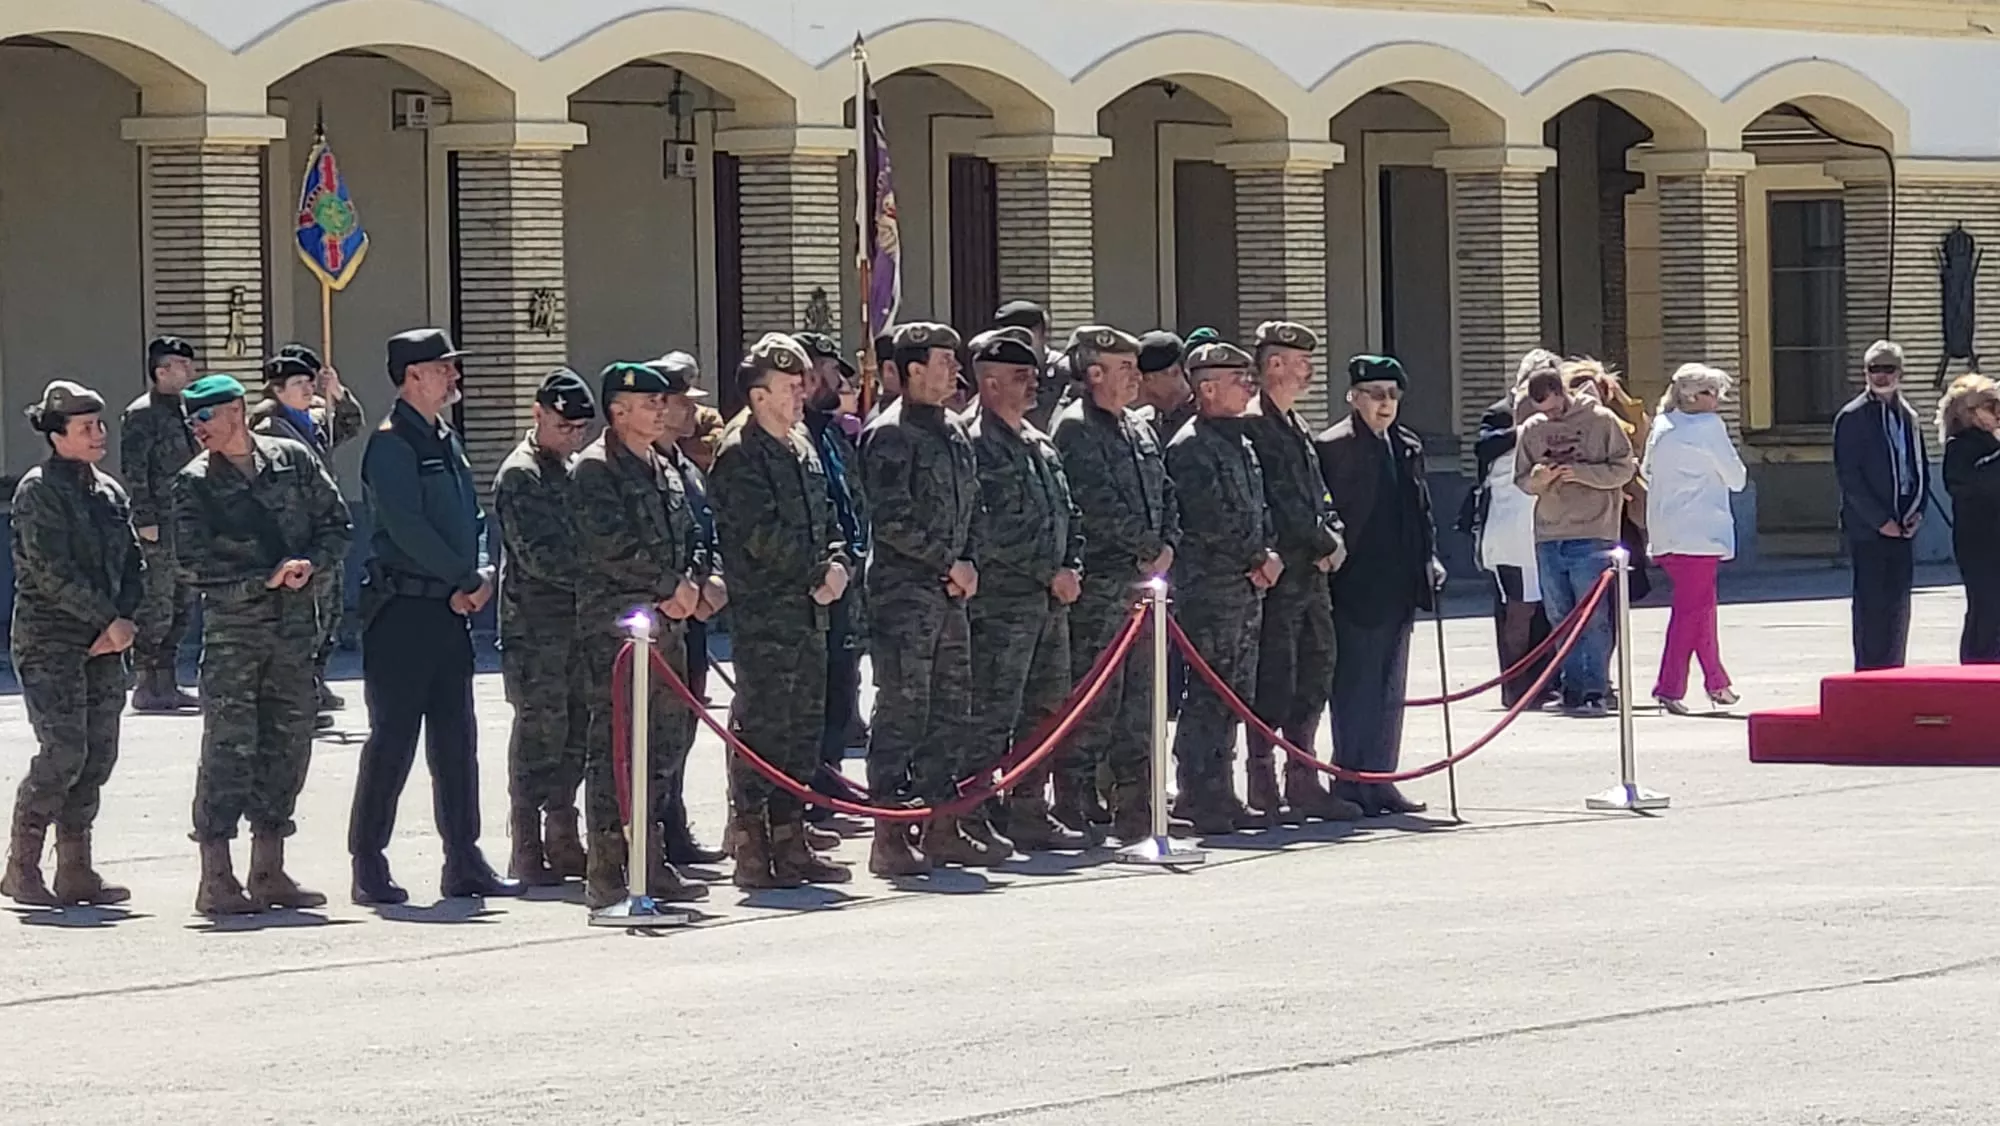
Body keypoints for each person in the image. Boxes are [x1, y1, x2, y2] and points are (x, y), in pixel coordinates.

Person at [347, 328, 519, 905]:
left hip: (450, 609)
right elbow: (406, 527)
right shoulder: (393, 443)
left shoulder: (444, 436)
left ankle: (463, 856)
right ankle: (368, 859)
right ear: (413, 376)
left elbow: (470, 515)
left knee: (456, 739)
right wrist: (464, 577)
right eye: (442, 369)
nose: (453, 377)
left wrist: (480, 572)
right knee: (392, 739)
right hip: (404, 610)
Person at [173, 374, 353, 915]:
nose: (197, 429)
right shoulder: (194, 484)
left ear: (237, 411)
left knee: (288, 744)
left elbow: (336, 525)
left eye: (206, 417)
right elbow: (190, 564)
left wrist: (310, 566)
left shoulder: (292, 461)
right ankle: (217, 876)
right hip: (235, 635)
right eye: (191, 421)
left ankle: (269, 868)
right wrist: (261, 580)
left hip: (295, 632)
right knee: (229, 750)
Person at [708, 334, 856, 888]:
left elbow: (830, 519)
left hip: (810, 613)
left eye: (803, 385)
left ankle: (790, 837)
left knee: (801, 729)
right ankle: (751, 840)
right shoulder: (740, 451)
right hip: (768, 614)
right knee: (763, 727)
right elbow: (757, 533)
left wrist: (839, 562)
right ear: (758, 394)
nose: (802, 394)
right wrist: (818, 572)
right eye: (791, 387)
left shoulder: (801, 445)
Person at [572, 361, 709, 909]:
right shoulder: (596, 470)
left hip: (669, 626)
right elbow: (609, 545)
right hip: (618, 634)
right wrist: (669, 584)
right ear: (618, 410)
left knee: (663, 746)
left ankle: (649, 858)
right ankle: (609, 868)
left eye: (661, 402)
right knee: (617, 750)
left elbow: (693, 529)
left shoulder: (665, 465)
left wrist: (697, 581)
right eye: (648, 403)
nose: (660, 410)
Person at [2, 381, 143, 907]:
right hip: (51, 641)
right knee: (63, 751)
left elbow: (133, 563)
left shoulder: (108, 491)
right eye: (85, 428)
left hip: (107, 641)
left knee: (98, 754)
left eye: (100, 425)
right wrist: (108, 619)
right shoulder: (38, 491)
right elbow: (48, 572)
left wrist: (125, 620)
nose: (97, 434)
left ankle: (76, 867)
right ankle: (23, 866)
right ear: (57, 435)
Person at [860, 322, 988, 874]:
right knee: (902, 709)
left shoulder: (955, 431)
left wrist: (970, 563)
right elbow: (891, 521)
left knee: (951, 708)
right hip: (905, 595)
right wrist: (947, 562)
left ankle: (940, 821)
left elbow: (974, 507)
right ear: (912, 370)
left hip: (952, 593)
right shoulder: (889, 433)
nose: (953, 372)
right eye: (942, 362)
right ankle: (889, 830)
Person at [962, 328, 1090, 852]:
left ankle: (1028, 807)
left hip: (1049, 603)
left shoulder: (1037, 441)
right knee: (993, 711)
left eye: (1034, 374)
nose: (1032, 384)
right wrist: (1047, 571)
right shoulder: (973, 441)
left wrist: (1072, 564)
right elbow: (985, 528)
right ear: (989, 383)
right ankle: (972, 811)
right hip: (1003, 603)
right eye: (1020, 377)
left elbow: (1067, 511)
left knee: (1045, 708)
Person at [1049, 326, 1177, 842]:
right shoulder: (1076, 429)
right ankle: (1076, 801)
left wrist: (1167, 543)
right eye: (1124, 368)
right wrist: (1148, 547)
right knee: (1095, 701)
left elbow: (1165, 492)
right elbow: (1094, 506)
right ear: (1094, 373)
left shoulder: (1139, 428)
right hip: (1102, 586)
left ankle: (1137, 802)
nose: (1134, 378)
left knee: (1142, 703)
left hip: (1144, 589)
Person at [1242, 322, 1358, 823]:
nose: (1308, 370)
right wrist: (1322, 540)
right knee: (1275, 678)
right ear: (1272, 366)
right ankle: (1262, 780)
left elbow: (1319, 494)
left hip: (1311, 577)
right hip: (1281, 577)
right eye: (1296, 361)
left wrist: (1334, 534)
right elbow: (1278, 502)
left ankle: (1303, 776)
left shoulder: (1295, 424)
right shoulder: (1254, 424)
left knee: (1315, 672)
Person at [1317, 356, 1444, 816]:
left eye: (1392, 395)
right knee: (1355, 686)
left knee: (1390, 688)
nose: (1384, 404)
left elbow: (1421, 513)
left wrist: (1429, 558)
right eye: (1374, 394)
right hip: (1355, 585)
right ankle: (1351, 779)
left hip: (1399, 582)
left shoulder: (1406, 444)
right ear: (1353, 397)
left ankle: (1382, 778)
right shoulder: (1333, 446)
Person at [1166, 342, 1282, 834]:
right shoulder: (1191, 446)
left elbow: (1259, 509)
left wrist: (1269, 552)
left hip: (1245, 590)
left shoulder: (1242, 442)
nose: (1249, 388)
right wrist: (1257, 558)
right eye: (1240, 379)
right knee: (1207, 694)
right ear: (1207, 387)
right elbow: (1210, 520)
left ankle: (1222, 787)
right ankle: (1197, 791)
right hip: (1209, 590)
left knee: (1235, 692)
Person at [491, 368, 597, 885]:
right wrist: (602, 570)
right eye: (564, 426)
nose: (573, 436)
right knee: (539, 733)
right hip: (535, 631)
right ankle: (527, 841)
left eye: (580, 429)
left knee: (576, 731)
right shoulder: (521, 474)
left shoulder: (573, 469)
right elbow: (540, 557)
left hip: (578, 626)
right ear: (539, 415)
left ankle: (563, 831)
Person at [1515, 362, 1637, 718]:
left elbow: (1624, 468)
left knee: (1593, 616)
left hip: (1593, 531)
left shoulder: (1601, 421)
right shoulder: (1532, 429)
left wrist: (1581, 473)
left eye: (1554, 408)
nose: (1549, 416)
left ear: (1562, 393)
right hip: (1549, 533)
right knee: (1559, 616)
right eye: (1542, 411)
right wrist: (1539, 479)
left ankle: (1596, 690)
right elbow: (1521, 480)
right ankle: (1570, 687)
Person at [252, 346, 366, 717]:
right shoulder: (269, 429)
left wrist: (337, 392)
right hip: (295, 534)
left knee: (328, 613)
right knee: (305, 618)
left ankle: (315, 679)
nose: (307, 389)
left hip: (324, 531)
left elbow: (351, 423)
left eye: (309, 382)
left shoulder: (315, 421)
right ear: (278, 391)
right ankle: (300, 698)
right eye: (298, 383)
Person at [647, 351, 729, 866]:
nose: (689, 414)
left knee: (682, 728)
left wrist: (713, 579)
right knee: (650, 735)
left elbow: (706, 533)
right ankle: (650, 837)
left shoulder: (686, 468)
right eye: (680, 403)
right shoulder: (637, 465)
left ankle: (673, 826)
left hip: (692, 615)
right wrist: (677, 588)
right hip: (654, 622)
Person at [795, 332, 872, 811]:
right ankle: (800, 797)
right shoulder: (793, 434)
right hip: (811, 589)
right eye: (828, 369)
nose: (838, 380)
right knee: (808, 696)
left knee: (842, 687)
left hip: (848, 581)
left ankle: (828, 778)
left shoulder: (830, 433)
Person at [1643, 363, 1747, 714]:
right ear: (1690, 395)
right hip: (1699, 532)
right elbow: (1736, 477)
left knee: (1702, 608)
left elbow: (1646, 471)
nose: (1715, 399)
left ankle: (1716, 681)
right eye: (1709, 392)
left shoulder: (1662, 424)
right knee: (1690, 612)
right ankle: (1669, 686)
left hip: (1665, 530)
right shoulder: (1709, 426)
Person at [1834, 339, 1930, 671]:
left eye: (1887, 369)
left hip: (1904, 525)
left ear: (1900, 372)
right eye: (1874, 369)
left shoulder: (1910, 416)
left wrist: (1919, 511)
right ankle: (1868, 675)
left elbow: (1920, 467)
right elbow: (1850, 478)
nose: (1881, 376)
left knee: (1898, 605)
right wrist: (1879, 521)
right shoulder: (1852, 416)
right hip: (1869, 530)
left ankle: (1894, 671)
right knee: (1871, 607)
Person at [121, 335, 202, 712]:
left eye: (190, 364)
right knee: (157, 604)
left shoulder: (188, 409)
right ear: (160, 371)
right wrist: (145, 519)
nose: (190, 371)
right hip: (160, 525)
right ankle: (145, 682)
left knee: (184, 603)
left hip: (189, 522)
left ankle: (167, 681)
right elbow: (134, 471)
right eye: (181, 365)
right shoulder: (142, 414)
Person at [1476, 349, 1559, 707]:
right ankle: (1515, 685)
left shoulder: (1562, 416)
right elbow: (1483, 448)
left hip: (1549, 524)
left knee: (1549, 609)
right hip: (1510, 528)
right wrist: (1525, 427)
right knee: (1517, 610)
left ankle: (1546, 682)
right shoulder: (1500, 414)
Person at [1938, 374, 2000, 663]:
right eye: (1993, 407)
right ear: (1971, 412)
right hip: (1979, 544)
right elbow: (1975, 485)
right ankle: (1976, 667)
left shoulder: (1990, 444)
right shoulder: (1960, 447)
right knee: (1985, 607)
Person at [996, 300, 1064, 430]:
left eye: (1024, 336)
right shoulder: (999, 372)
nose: (1018, 343)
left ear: (1043, 333)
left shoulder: (1064, 371)